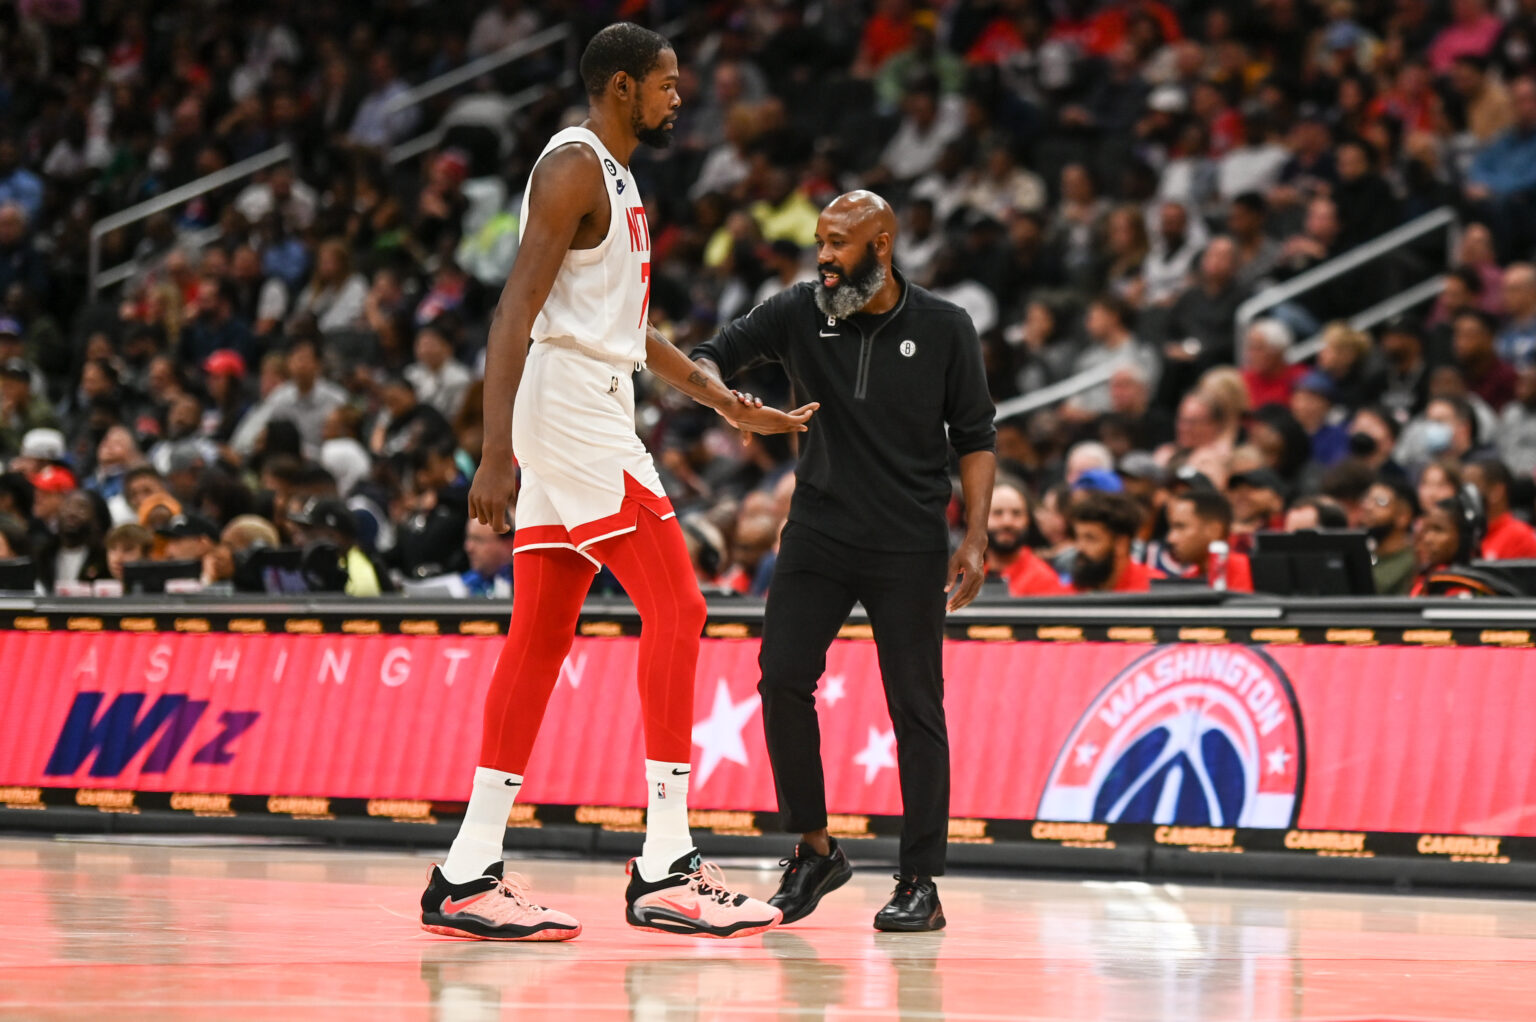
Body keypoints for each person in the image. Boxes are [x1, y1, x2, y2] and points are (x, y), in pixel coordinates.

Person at [425, 24, 805, 944]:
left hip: (583, 398)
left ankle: (467, 873)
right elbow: (513, 310)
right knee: (679, 607)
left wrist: (722, 399)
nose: (679, 99)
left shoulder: (620, 178)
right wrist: (493, 452)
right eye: (667, 84)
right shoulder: (573, 167)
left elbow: (629, 333)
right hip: (570, 409)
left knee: (540, 636)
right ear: (623, 86)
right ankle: (667, 864)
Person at [691, 190, 997, 933]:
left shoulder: (946, 326)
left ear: (881, 246)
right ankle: (815, 850)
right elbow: (709, 354)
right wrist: (729, 401)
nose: (823, 257)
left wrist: (976, 535)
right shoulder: (800, 310)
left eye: (838, 243)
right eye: (820, 242)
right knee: (781, 680)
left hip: (909, 542)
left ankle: (920, 881)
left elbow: (976, 438)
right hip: (818, 533)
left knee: (916, 708)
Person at [1068, 490, 1161, 593]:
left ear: (1121, 544)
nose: (1079, 548)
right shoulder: (1074, 590)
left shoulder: (1154, 589)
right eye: (1077, 537)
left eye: (1090, 539)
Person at [985, 478, 1064, 597]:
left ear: (1028, 520)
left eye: (1016, 513)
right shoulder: (962, 574)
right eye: (998, 512)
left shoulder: (1044, 581)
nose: (1007, 522)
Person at [1163, 489, 1254, 591]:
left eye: (1181, 527)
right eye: (1172, 528)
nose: (1170, 539)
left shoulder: (1253, 573)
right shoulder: (1188, 578)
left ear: (1214, 530)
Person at [1464, 457, 1536, 559]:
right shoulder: (1464, 534)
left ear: (1496, 491)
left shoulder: (1520, 537)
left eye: (1471, 487)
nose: (1463, 495)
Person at [1363, 477, 1419, 595]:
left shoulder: (1413, 562)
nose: (1368, 507)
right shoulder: (1366, 555)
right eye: (1367, 499)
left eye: (1380, 502)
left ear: (1403, 516)